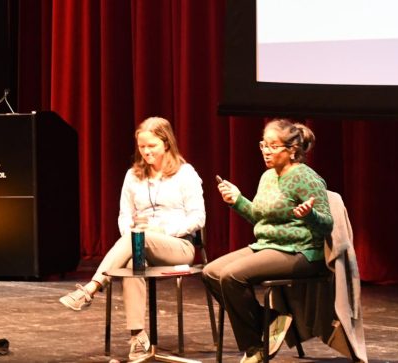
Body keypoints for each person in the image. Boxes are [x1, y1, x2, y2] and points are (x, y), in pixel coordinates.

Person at [59, 117, 205, 362]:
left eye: (152, 146)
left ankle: (91, 289)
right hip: (139, 244)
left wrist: (162, 231)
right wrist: (133, 232)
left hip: (178, 245)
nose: (146, 152)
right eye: (142, 147)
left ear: (166, 143)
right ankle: (138, 337)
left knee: (137, 236)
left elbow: (198, 218)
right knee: (130, 259)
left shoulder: (185, 174)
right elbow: (124, 215)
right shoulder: (133, 176)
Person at [203, 119, 333, 363]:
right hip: (267, 246)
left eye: (273, 146)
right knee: (211, 273)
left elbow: (327, 224)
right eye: (264, 145)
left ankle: (255, 348)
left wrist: (310, 215)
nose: (266, 151)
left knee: (232, 276)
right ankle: (270, 320)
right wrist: (238, 200)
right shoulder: (267, 177)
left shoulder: (307, 178)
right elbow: (259, 217)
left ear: (292, 150)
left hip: (302, 252)